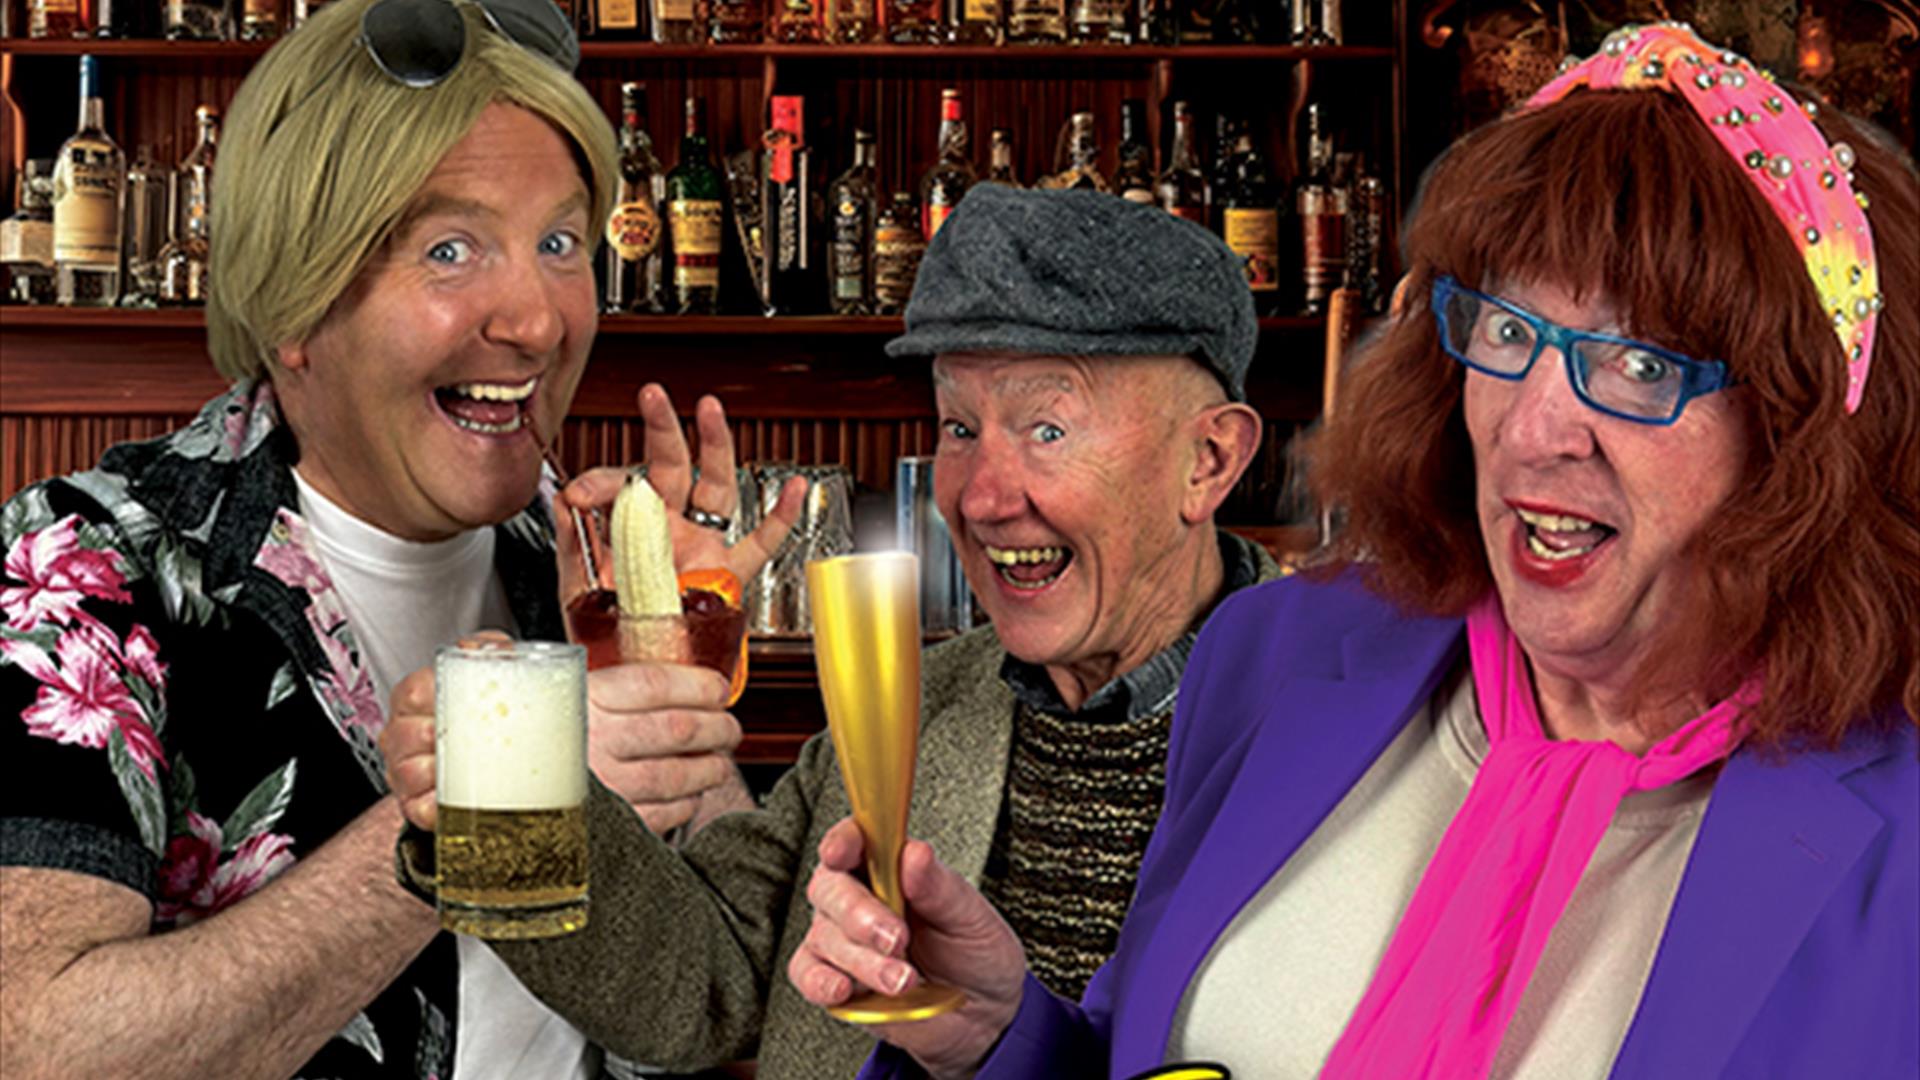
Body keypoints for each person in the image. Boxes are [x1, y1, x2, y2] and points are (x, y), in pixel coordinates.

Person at [790, 23, 1920, 1079]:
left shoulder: (1898, 836)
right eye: (1512, 333)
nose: (1532, 429)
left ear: (1796, 432)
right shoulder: (1280, 652)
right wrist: (998, 1036)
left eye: (1640, 366)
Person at [0, 0, 800, 1076]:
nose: (538, 319)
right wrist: (480, 809)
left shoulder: (568, 575)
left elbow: (729, 1004)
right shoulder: (84, 566)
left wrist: (660, 659)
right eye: (451, 247)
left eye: (561, 242)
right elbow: (40, 1048)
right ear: (295, 297)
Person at [380, 183, 1283, 1077]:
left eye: (1047, 428)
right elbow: (704, 989)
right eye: (961, 427)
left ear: (1209, 462)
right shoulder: (913, 702)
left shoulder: (1353, 729)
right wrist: (495, 812)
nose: (981, 497)